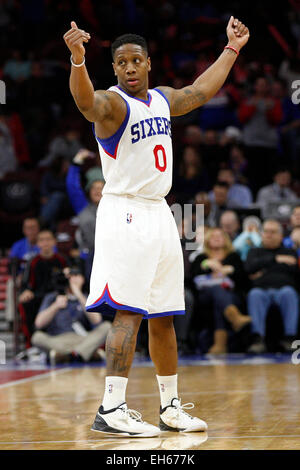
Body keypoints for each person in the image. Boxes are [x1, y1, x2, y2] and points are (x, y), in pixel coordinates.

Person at [64, 15, 249, 437]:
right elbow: (85, 104)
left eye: (136, 60)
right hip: (125, 210)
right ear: (113, 68)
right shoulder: (112, 104)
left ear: (149, 62)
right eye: (121, 62)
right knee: (128, 312)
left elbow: (200, 91)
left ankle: (169, 407)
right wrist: (78, 61)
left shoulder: (163, 99)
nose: (129, 67)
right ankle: (111, 407)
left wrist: (232, 48)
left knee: (163, 315)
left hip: (159, 211)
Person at [31, 268, 111, 365]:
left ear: (82, 279)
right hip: (58, 340)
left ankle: (65, 355)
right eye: (67, 277)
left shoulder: (86, 297)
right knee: (37, 337)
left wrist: (77, 293)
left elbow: (97, 321)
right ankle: (83, 353)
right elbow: (38, 323)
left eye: (74, 275)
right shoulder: (52, 297)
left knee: (107, 326)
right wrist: (55, 306)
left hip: (82, 338)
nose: (70, 279)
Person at [190, 228, 250, 354]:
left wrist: (231, 270)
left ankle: (220, 345)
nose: (217, 238)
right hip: (205, 296)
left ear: (226, 240)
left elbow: (244, 281)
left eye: (220, 236)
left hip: (231, 295)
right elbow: (193, 277)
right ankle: (234, 316)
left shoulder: (234, 257)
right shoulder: (201, 257)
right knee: (217, 290)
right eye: (213, 236)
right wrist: (206, 265)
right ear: (207, 241)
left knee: (220, 299)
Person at [245, 219, 299, 354]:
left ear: (281, 236)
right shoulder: (254, 251)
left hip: (283, 290)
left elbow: (292, 272)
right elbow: (249, 268)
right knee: (255, 294)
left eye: (273, 232)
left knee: (289, 293)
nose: (268, 235)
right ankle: (258, 339)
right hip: (261, 291)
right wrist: (276, 260)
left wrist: (263, 270)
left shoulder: (289, 252)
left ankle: (290, 338)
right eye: (266, 232)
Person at [19, 230, 67, 339]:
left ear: (54, 242)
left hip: (59, 295)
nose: (45, 243)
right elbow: (26, 284)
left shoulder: (62, 260)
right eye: (42, 240)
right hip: (39, 296)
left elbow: (69, 279)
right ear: (37, 244)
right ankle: (31, 341)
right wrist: (26, 291)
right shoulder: (33, 262)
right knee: (25, 303)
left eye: (48, 239)